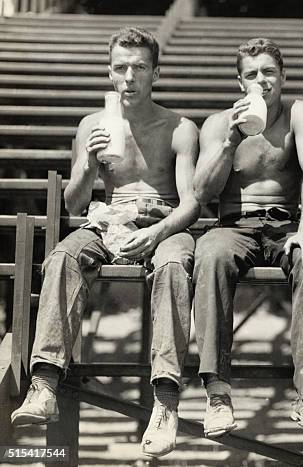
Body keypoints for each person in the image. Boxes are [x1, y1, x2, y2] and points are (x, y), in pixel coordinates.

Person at [11, 27, 200, 459]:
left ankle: (166, 402)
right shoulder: (92, 125)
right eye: (120, 68)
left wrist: (156, 231)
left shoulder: (179, 127)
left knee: (173, 267)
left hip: (162, 220)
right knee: (63, 255)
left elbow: (191, 204)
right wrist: (89, 165)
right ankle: (44, 384)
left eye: (138, 68)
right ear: (109, 72)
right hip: (107, 218)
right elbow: (75, 205)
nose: (129, 77)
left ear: (156, 72)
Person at [192, 38, 303, 439]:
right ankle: (217, 391)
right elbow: (202, 193)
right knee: (211, 256)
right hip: (234, 224)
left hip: (288, 221)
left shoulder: (298, 112)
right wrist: (231, 142)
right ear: (240, 82)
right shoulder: (219, 123)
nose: (262, 81)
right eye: (252, 74)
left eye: (269, 72)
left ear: (283, 76)